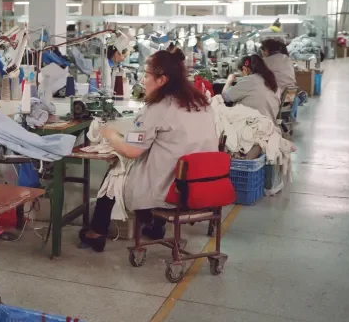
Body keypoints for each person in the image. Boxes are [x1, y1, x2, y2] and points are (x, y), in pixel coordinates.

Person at [78, 51, 218, 252]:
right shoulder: (200, 104)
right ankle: (153, 225)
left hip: (173, 189)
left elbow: (131, 150)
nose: (143, 81)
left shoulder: (159, 108)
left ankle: (97, 232)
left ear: (161, 80)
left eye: (146, 75)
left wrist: (110, 134)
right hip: (202, 186)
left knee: (116, 171)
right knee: (154, 162)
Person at [222, 55, 280, 122]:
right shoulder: (272, 80)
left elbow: (226, 97)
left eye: (241, 74)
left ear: (245, 69)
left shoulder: (250, 80)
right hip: (269, 123)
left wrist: (228, 82)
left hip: (253, 125)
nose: (241, 76)